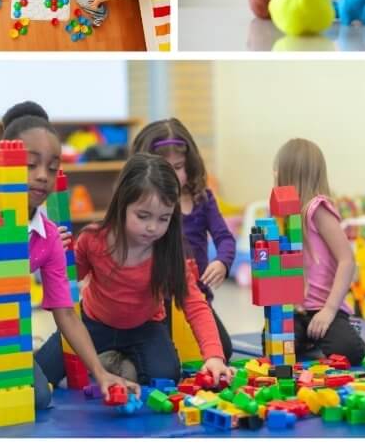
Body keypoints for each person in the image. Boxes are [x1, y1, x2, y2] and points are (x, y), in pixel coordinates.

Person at [0, 104, 136, 418]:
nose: (42, 176)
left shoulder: (47, 238)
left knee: (37, 399)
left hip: (0, 336)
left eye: (52, 166)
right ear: (3, 165)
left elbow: (68, 315)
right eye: (31, 165)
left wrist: (100, 372)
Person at [36, 154, 232, 386]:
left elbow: (195, 304)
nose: (152, 227)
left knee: (166, 377)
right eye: (143, 216)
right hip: (93, 324)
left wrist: (214, 357)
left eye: (164, 218)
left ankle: (117, 361)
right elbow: (70, 278)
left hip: (145, 327)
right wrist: (57, 254)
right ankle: (109, 361)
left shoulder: (169, 250)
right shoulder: (93, 239)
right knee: (42, 372)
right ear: (122, 204)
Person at [131, 119, 236, 362]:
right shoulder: (142, 206)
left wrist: (222, 262)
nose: (172, 175)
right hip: (155, 302)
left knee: (223, 350)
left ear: (189, 165)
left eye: (178, 166)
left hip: (195, 298)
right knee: (164, 359)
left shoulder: (202, 199)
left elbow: (225, 238)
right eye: (163, 167)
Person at [274, 138, 365, 365]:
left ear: (290, 174)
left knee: (349, 350)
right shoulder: (285, 215)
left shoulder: (318, 209)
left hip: (324, 309)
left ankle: (338, 329)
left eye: (277, 172)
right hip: (296, 310)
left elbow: (347, 260)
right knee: (275, 346)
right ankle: (309, 339)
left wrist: (329, 310)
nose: (274, 177)